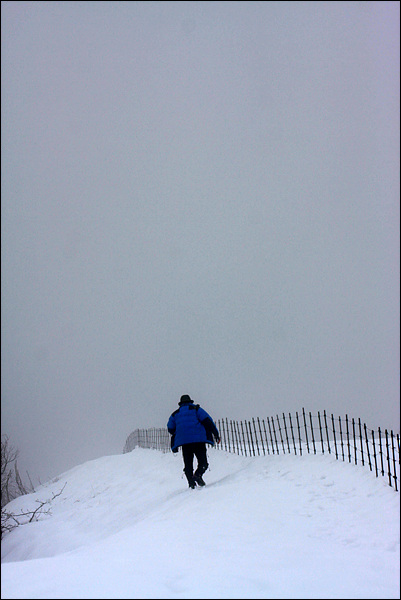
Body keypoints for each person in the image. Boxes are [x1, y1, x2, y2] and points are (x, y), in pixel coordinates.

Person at [167, 394, 221, 488]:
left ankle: (191, 484)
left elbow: (170, 428)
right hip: (198, 441)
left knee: (188, 464)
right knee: (203, 462)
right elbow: (208, 421)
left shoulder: (175, 414)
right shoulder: (196, 409)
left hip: (185, 443)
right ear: (190, 401)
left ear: (180, 403)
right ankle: (198, 475)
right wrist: (216, 434)